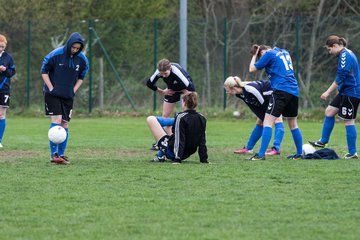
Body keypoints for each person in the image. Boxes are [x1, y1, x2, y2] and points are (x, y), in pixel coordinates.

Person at [248, 44, 303, 160]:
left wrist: (254, 55)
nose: (261, 59)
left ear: (262, 51)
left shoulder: (268, 54)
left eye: (260, 55)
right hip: (293, 91)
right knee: (293, 124)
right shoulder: (284, 51)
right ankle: (299, 154)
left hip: (281, 91)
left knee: (267, 122)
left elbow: (251, 69)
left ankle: (260, 155)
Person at [41, 32, 89, 164]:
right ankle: (53, 154)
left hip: (68, 96)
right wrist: (51, 88)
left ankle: (61, 154)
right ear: (69, 44)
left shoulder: (82, 59)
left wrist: (73, 90)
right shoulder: (55, 55)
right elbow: (44, 71)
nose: (75, 50)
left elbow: (81, 77)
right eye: (73, 47)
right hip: (53, 94)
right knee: (56, 120)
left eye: (78, 48)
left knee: (65, 123)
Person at [309, 35, 360, 159]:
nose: (329, 52)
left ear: (335, 46)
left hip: (352, 92)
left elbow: (341, 77)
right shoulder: (347, 53)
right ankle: (323, 141)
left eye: (329, 49)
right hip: (345, 91)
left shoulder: (345, 55)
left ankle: (353, 152)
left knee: (348, 121)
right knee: (329, 112)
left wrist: (327, 92)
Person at [224, 76, 284, 155]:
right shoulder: (239, 93)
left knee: (277, 119)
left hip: (276, 93)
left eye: (227, 90)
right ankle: (248, 148)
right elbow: (253, 106)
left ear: (233, 88)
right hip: (266, 98)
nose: (226, 92)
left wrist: (268, 118)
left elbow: (263, 104)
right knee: (260, 121)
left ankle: (276, 149)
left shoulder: (250, 90)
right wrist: (262, 117)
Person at [146, 58, 195, 150]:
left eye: (166, 73)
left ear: (170, 69)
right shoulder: (159, 71)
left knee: (189, 115)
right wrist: (162, 91)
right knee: (165, 116)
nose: (163, 76)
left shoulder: (176, 72)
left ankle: (186, 140)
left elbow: (191, 87)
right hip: (171, 90)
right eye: (162, 74)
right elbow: (149, 83)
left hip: (185, 89)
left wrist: (184, 93)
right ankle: (162, 141)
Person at [146, 92, 208, 164]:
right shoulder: (202, 118)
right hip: (187, 153)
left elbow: (179, 139)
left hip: (172, 152)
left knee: (151, 119)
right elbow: (202, 141)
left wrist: (177, 159)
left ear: (184, 103)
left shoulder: (181, 117)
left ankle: (161, 155)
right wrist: (204, 160)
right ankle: (161, 155)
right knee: (170, 126)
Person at [0, 34, 15, 148]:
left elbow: (12, 72)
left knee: (1, 114)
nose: (1, 49)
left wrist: (5, 70)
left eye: (3, 47)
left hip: (4, 89)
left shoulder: (8, 57)